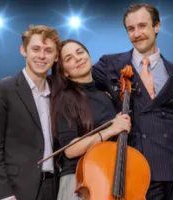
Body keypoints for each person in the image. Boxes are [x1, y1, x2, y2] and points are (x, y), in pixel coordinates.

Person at [92, 3, 173, 200]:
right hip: (137, 164)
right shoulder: (110, 64)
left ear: (157, 26)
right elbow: (80, 82)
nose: (137, 33)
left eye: (142, 26)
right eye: (131, 28)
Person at [0, 25, 61, 200]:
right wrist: (4, 195)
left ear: (56, 56)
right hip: (16, 189)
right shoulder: (3, 89)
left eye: (48, 51)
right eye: (36, 49)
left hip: (53, 187)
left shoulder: (59, 93)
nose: (42, 56)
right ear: (23, 50)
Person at [50, 39, 131, 200]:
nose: (78, 58)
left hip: (107, 176)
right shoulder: (65, 99)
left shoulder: (105, 95)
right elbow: (70, 150)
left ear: (88, 55)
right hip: (79, 181)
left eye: (80, 52)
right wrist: (110, 130)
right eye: (69, 58)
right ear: (65, 72)